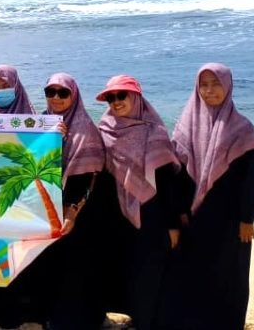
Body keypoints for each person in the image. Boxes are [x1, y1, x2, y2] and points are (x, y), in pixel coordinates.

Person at [165, 64, 254, 330]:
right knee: (194, 274)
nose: (209, 90)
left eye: (215, 83)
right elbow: (178, 175)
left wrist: (247, 218)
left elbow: (250, 178)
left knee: (231, 275)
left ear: (228, 85)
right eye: (203, 84)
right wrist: (178, 214)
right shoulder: (186, 126)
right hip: (195, 216)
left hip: (230, 219)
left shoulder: (242, 128)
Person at [95, 75, 180, 330]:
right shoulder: (104, 128)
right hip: (116, 214)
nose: (116, 101)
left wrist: (173, 224)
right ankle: (130, 317)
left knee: (149, 272)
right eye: (111, 97)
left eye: (122, 96)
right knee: (125, 268)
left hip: (151, 215)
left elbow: (167, 183)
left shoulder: (154, 132)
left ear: (136, 97)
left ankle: (147, 321)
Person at [43, 73, 112, 330]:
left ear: (75, 95)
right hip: (50, 207)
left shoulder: (84, 129)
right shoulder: (44, 121)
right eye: (51, 92)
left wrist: (71, 211)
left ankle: (78, 320)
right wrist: (51, 138)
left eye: (63, 93)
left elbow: (91, 175)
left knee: (78, 267)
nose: (56, 98)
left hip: (79, 211)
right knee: (56, 266)